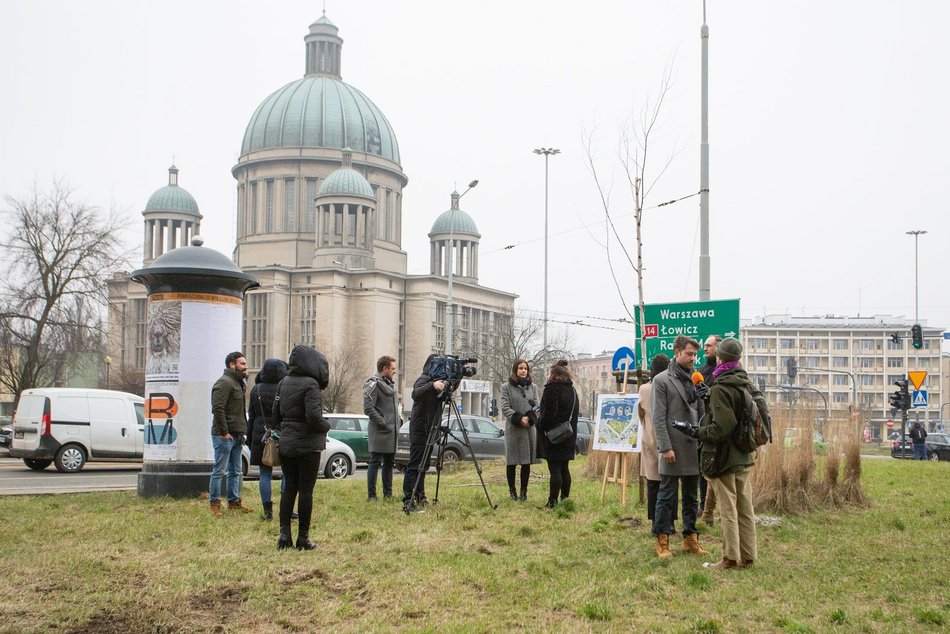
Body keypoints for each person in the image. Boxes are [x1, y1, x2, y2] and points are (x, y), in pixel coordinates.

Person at [680, 337, 768, 570]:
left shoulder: (721, 387)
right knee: (745, 510)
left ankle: (729, 558)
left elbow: (721, 428)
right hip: (744, 455)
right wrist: (709, 397)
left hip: (725, 458)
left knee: (728, 511)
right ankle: (748, 557)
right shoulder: (743, 382)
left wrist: (695, 431)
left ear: (720, 358)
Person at [651, 335, 708, 559]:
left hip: (693, 445)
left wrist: (707, 397)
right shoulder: (662, 380)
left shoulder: (696, 380)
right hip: (672, 447)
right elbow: (658, 417)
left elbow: (702, 415)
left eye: (695, 355)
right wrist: (665, 447)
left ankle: (690, 539)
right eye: (689, 354)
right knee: (666, 496)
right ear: (677, 352)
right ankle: (662, 542)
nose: (693, 358)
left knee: (692, 497)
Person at [273, 345, 330, 551]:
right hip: (307, 445)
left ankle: (284, 534)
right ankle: (303, 537)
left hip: (287, 443)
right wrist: (326, 426)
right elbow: (314, 417)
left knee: (289, 489)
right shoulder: (311, 385)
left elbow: (275, 415)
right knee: (306, 491)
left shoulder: (283, 383)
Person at [209, 351, 252, 517]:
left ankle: (234, 502)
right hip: (225, 436)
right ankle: (215, 504)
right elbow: (217, 409)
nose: (245, 366)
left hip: (237, 435)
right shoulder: (224, 383)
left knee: (236, 471)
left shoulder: (238, 383)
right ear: (231, 365)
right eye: (242, 363)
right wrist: (224, 432)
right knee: (219, 471)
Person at [403, 354, 446, 510]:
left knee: (424, 465)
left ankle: (420, 495)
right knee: (415, 466)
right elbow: (415, 393)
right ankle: (408, 499)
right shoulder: (424, 379)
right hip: (420, 429)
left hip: (430, 429)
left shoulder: (439, 381)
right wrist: (432, 385)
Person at [246, 358, 288, 520]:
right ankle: (287, 509)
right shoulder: (284, 388)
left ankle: (267, 512)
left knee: (264, 474)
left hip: (260, 436)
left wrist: (249, 439)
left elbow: (252, 416)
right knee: (287, 474)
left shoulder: (256, 389)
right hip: (281, 434)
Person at [537, 360, 579, 509]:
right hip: (569, 435)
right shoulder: (572, 390)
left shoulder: (552, 389)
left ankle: (552, 502)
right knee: (564, 469)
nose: (548, 375)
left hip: (554, 436)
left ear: (554, 374)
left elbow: (548, 417)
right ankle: (565, 499)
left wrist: (539, 422)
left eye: (549, 372)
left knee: (554, 470)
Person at [499, 359, 539, 501]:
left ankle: (523, 492)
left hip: (528, 429)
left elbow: (537, 406)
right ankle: (512, 491)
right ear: (515, 370)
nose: (523, 371)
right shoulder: (506, 387)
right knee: (512, 462)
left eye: (525, 368)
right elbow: (504, 407)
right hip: (514, 429)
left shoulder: (533, 387)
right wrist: (518, 418)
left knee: (526, 462)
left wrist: (530, 417)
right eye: (521, 368)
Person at [638, 354, 670, 523]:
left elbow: (640, 413)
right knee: (669, 483)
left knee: (652, 481)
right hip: (668, 438)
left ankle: (654, 518)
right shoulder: (669, 386)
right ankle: (669, 519)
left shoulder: (644, 389)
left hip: (649, 437)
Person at [363, 355, 400, 501]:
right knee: (375, 462)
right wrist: (383, 422)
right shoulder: (373, 384)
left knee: (389, 463)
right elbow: (368, 408)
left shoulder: (391, 385)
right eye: (392, 369)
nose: (394, 371)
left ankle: (388, 494)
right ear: (384, 369)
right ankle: (372, 496)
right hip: (380, 431)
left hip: (392, 432)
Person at [698, 335, 722, 525]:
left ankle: (715, 510)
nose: (705, 348)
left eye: (709, 345)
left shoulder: (724, 371)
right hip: (703, 424)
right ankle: (704, 509)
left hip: (720, 426)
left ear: (718, 348)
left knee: (718, 471)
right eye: (704, 345)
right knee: (703, 470)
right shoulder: (701, 370)